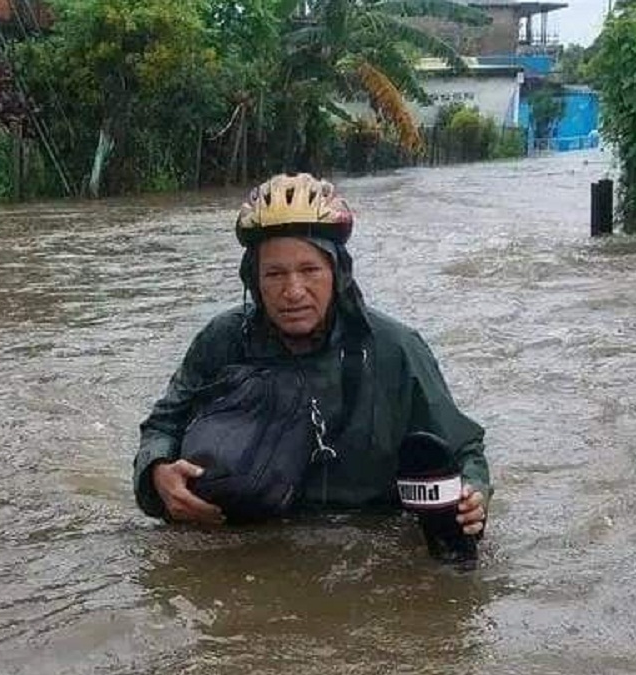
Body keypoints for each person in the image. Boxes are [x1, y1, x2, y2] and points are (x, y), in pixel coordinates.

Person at [133, 173, 490, 538]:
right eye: (274, 274)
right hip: (250, 532)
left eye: (309, 270)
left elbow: (464, 449)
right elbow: (163, 425)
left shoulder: (395, 348)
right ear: (254, 280)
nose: (293, 291)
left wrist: (473, 495)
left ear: (338, 273)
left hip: (365, 535)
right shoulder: (221, 340)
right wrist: (157, 472)